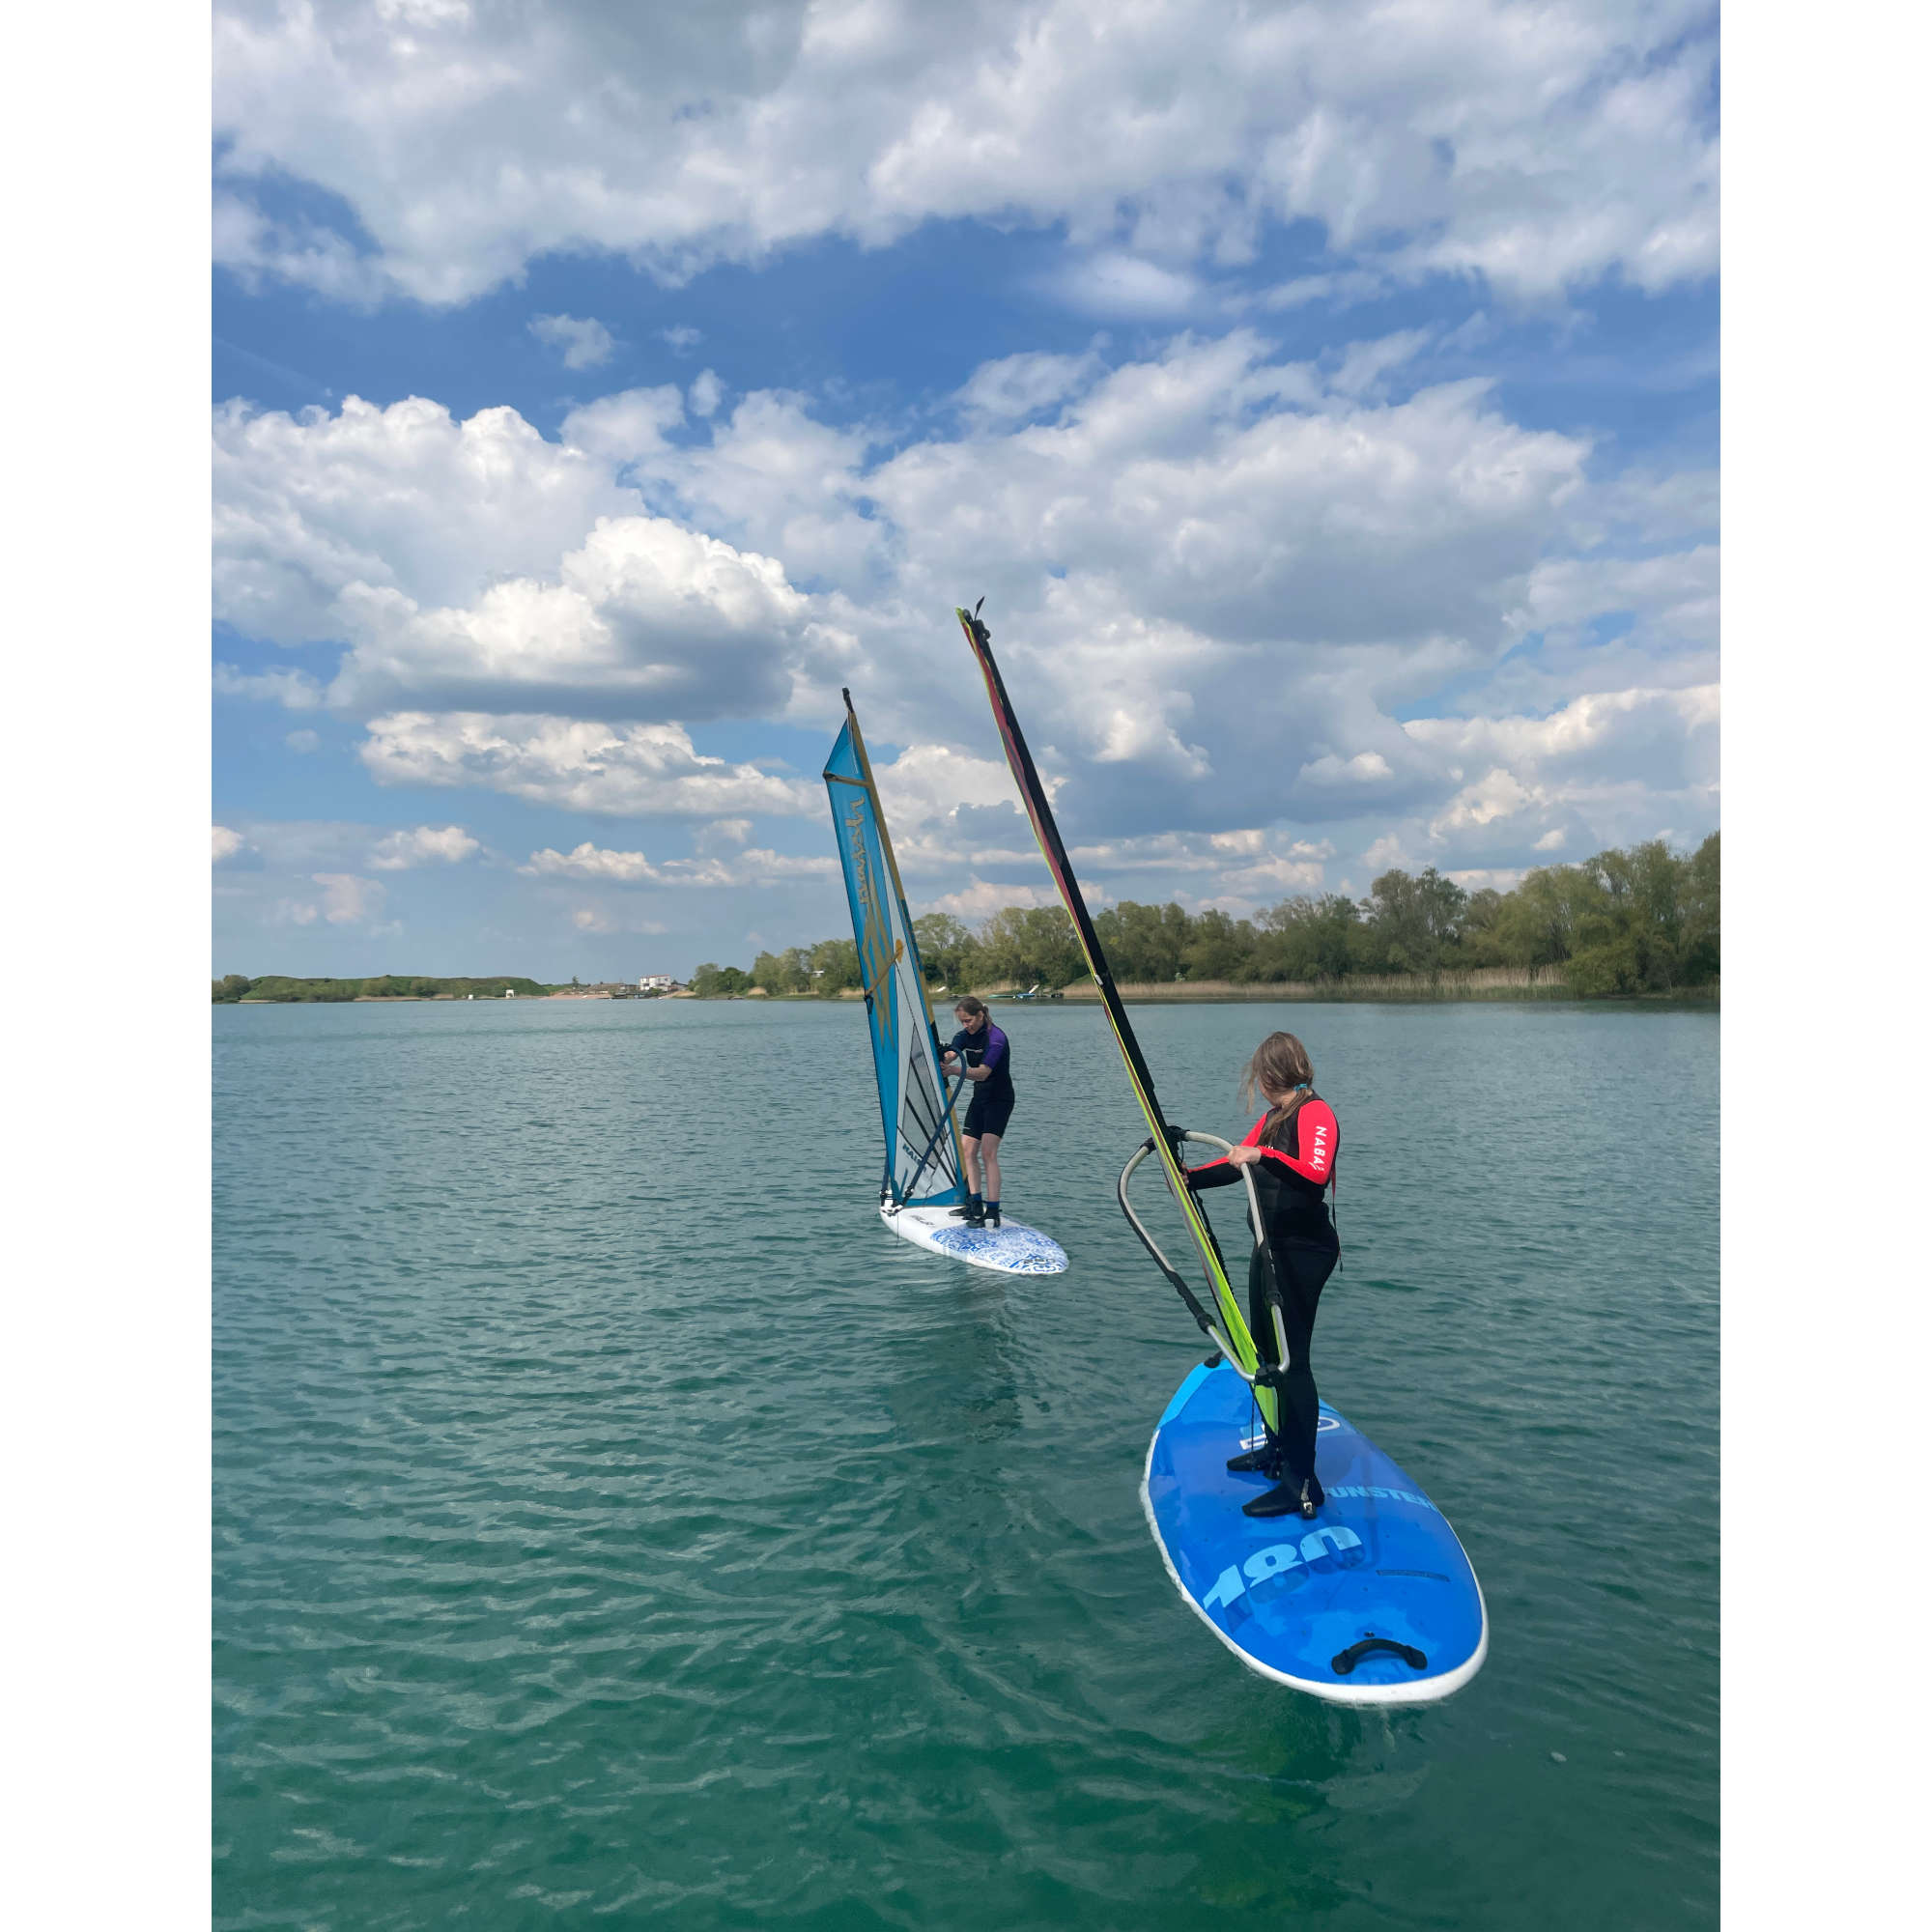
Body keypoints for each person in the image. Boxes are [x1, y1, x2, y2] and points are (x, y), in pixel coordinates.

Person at [1185, 1031, 1340, 1520]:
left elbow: (1314, 1172)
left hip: (1304, 1251)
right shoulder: (1274, 1117)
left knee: (1293, 1363)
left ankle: (1303, 1482)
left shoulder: (1315, 1112)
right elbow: (1235, 1163)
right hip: (1269, 1248)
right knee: (1264, 1352)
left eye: (1258, 1073)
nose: (1255, 1082)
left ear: (1272, 1073)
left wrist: (1263, 1156)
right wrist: (1189, 1175)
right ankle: (1277, 1451)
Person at [939, 996, 1013, 1228]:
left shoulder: (996, 1038)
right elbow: (950, 1055)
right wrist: (939, 1054)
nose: (966, 1025)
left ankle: (992, 1210)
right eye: (962, 1022)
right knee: (968, 1150)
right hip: (980, 1098)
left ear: (980, 1015)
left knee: (988, 1153)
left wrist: (952, 1070)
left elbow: (982, 1073)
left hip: (1000, 1099)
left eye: (969, 1020)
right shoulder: (963, 1036)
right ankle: (974, 1203)